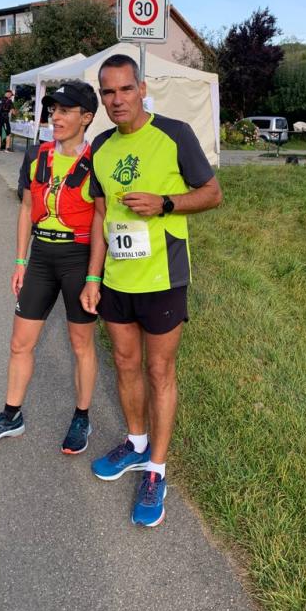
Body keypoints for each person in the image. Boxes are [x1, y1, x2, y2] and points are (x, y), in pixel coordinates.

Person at [80, 54, 223, 527]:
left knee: (159, 370)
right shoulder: (100, 145)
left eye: (125, 89)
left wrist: (165, 203)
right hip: (118, 279)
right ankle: (136, 443)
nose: (117, 100)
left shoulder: (175, 133)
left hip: (163, 278)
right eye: (108, 92)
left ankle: (156, 470)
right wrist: (93, 277)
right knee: (125, 364)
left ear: (141, 89)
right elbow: (100, 215)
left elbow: (212, 194)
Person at [0, 80, 100, 454]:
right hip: (41, 256)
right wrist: (20, 261)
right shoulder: (37, 155)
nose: (55, 117)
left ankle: (82, 417)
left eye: (65, 111)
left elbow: (100, 219)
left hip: (78, 257)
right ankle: (11, 416)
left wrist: (94, 276)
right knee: (19, 342)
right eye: (54, 110)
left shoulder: (98, 160)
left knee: (81, 344)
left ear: (86, 117)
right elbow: (27, 208)